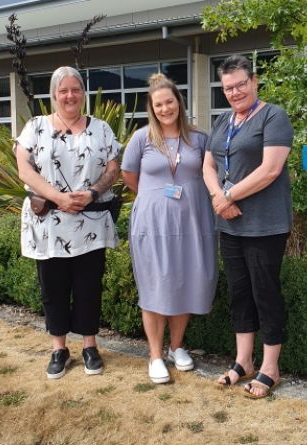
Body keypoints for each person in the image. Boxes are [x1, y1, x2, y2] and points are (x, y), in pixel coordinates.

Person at [15, 66, 121, 379]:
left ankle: (90, 346)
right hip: (50, 225)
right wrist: (58, 197)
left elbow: (114, 166)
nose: (70, 95)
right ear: (54, 95)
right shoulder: (35, 127)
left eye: (75, 89)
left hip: (90, 221)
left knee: (89, 286)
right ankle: (58, 348)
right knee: (54, 287)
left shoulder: (101, 128)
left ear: (83, 93)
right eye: (63, 91)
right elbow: (25, 169)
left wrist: (93, 192)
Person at [202, 54, 294, 399]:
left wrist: (227, 195)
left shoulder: (274, 116)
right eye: (229, 87)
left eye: (241, 84)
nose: (236, 91)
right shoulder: (223, 121)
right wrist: (218, 196)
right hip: (230, 226)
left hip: (265, 225)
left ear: (254, 81)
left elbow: (270, 170)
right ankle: (244, 361)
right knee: (240, 293)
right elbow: (208, 165)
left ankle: (271, 367)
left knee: (264, 293)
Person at [121, 73, 217, 384]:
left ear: (180, 102)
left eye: (170, 102)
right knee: (155, 283)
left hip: (192, 221)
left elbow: (209, 174)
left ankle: (177, 347)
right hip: (153, 223)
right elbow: (129, 176)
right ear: (152, 107)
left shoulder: (199, 139)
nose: (165, 109)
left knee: (185, 280)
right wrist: (154, 200)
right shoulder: (141, 138)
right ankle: (154, 355)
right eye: (158, 104)